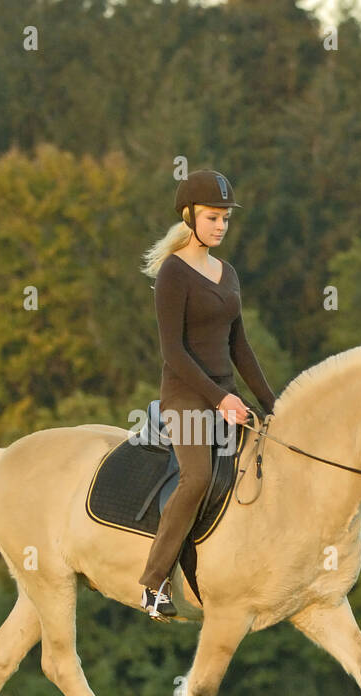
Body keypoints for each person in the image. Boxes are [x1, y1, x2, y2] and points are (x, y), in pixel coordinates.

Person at [136, 170, 278, 619]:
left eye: (225, 220)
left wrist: (273, 405)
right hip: (186, 400)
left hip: (227, 396)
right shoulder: (173, 274)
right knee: (196, 477)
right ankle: (153, 583)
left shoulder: (228, 273)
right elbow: (172, 352)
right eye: (213, 218)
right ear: (189, 216)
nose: (220, 226)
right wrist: (220, 400)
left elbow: (241, 347)